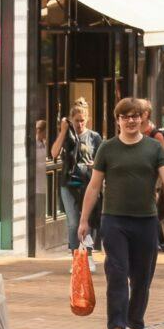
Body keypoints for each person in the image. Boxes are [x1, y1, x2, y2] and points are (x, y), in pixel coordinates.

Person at [77, 97, 164, 329]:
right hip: (114, 219)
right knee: (116, 272)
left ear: (142, 119)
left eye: (135, 116)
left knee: (142, 276)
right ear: (117, 120)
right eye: (125, 117)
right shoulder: (107, 148)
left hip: (146, 220)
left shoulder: (154, 148)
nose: (130, 121)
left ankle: (136, 326)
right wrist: (83, 220)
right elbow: (94, 186)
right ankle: (116, 328)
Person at [48, 102, 100, 248]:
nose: (80, 124)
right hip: (68, 183)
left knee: (88, 220)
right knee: (73, 222)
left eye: (82, 120)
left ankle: (87, 252)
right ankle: (75, 254)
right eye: (76, 120)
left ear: (87, 119)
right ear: (71, 120)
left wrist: (94, 164)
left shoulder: (94, 137)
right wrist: (63, 131)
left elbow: (102, 160)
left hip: (88, 183)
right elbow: (54, 153)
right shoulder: (67, 136)